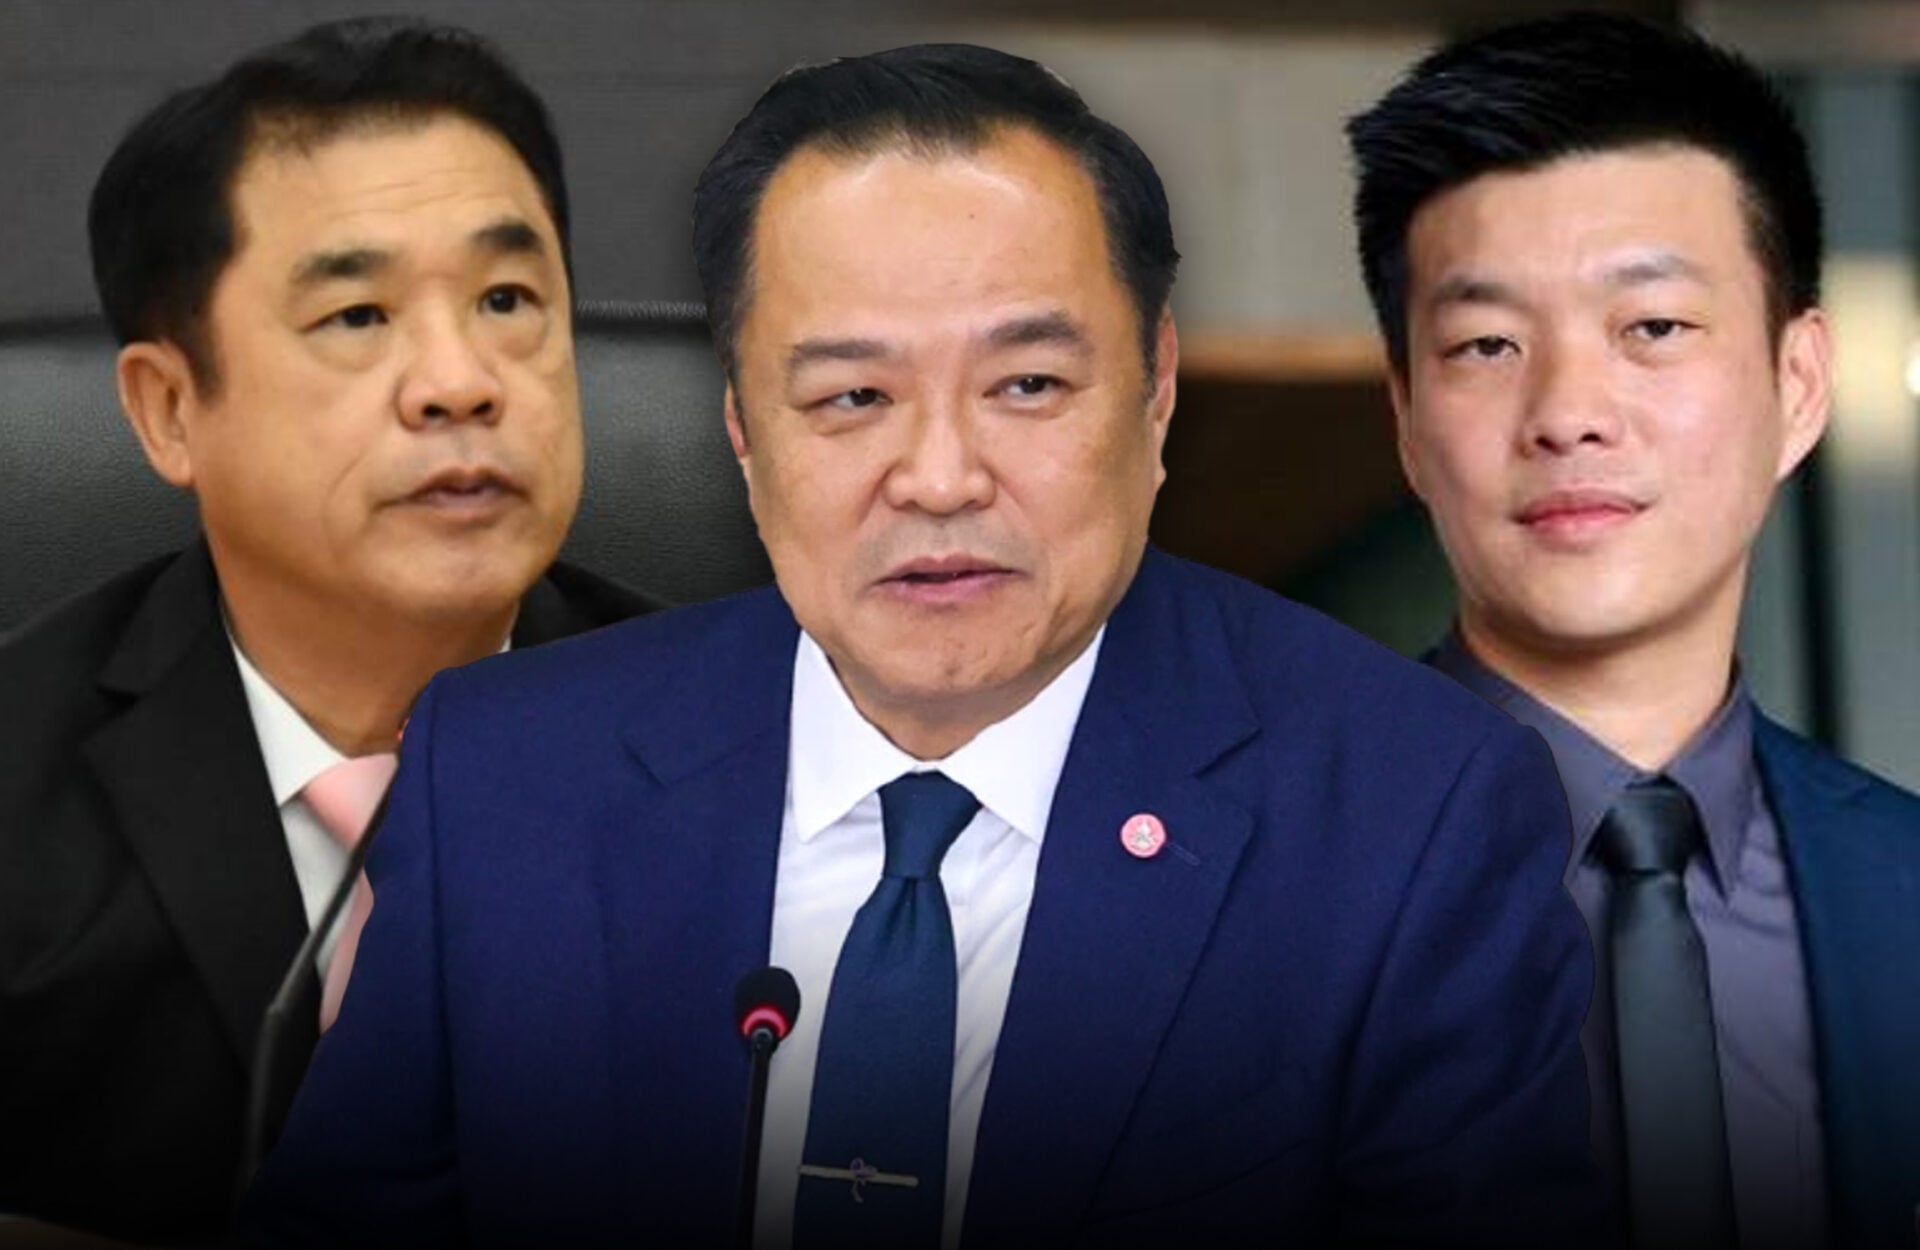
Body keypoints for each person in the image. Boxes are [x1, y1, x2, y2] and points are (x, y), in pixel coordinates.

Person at [245, 43, 1605, 1249]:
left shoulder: (1412, 809)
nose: (941, 477)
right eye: (852, 396)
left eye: (1027, 384)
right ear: (743, 430)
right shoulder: (504, 773)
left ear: (1156, 393)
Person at [0, 17, 660, 1244]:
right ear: (169, 409)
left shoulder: (770, 749)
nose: (460, 381)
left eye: (508, 299)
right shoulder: (16, 797)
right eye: (357, 316)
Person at [1348, 13, 1920, 1250]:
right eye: (1486, 343)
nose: (1568, 412)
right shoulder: (1228, 904)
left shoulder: (1905, 893)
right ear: (1408, 420)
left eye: (1652, 326)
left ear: (1798, 383)